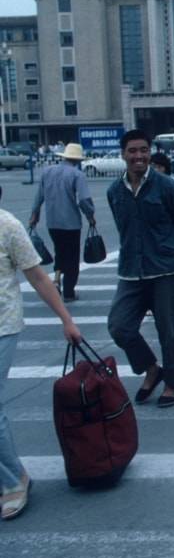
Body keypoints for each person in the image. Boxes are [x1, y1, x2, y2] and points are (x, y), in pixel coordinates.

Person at [0, 204, 84, 520]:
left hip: (2, 326)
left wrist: (67, 320)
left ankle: (13, 482)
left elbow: (37, 276)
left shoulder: (7, 225)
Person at [107, 129, 174, 408]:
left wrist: (172, 259)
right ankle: (151, 368)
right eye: (132, 151)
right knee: (119, 326)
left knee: (169, 331)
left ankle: (172, 382)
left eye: (143, 150)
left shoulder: (168, 187)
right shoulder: (115, 191)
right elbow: (124, 229)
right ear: (123, 154)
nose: (139, 156)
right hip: (131, 270)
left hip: (165, 270)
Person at [28, 142, 96, 302]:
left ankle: (57, 279)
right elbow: (84, 200)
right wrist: (90, 216)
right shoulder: (77, 175)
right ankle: (69, 292)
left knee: (60, 251)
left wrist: (34, 215)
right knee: (72, 257)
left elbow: (39, 196)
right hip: (71, 223)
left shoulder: (48, 172)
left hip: (52, 222)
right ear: (78, 160)